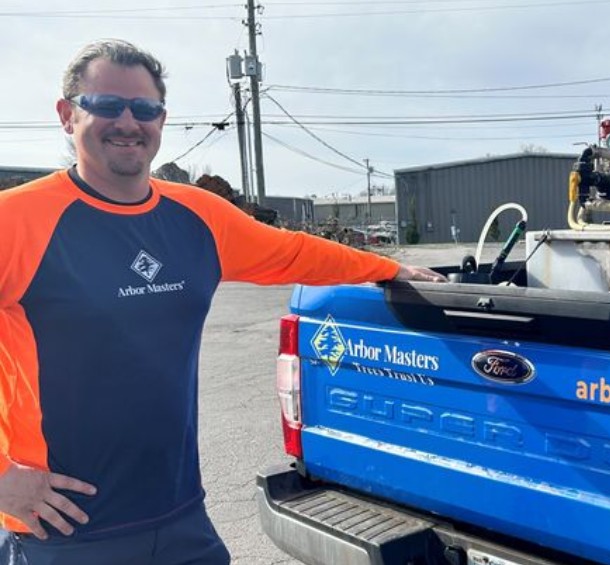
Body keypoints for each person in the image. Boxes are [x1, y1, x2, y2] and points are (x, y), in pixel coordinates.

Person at [0, 39, 445, 564]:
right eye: (105, 105)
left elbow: (294, 252)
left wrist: (391, 268)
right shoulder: (17, 221)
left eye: (144, 109)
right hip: (65, 534)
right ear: (67, 114)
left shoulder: (197, 217)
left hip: (182, 518)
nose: (127, 122)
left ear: (161, 120)